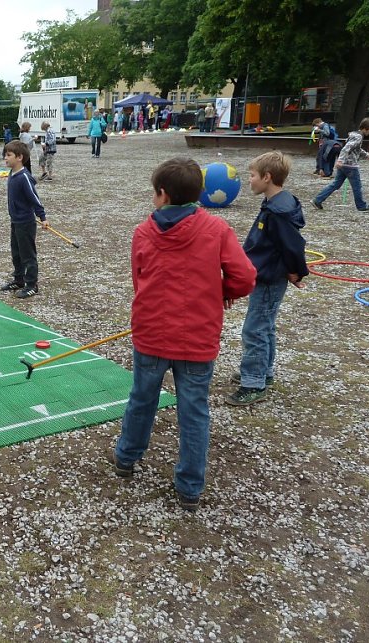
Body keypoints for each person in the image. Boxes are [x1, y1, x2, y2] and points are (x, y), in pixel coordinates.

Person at [109, 157, 256, 512]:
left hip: (158, 334)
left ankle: (129, 458)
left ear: (161, 195)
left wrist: (220, 289)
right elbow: (244, 279)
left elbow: (139, 279)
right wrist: (223, 291)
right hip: (190, 337)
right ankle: (187, 485)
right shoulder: (210, 230)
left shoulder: (161, 231)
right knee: (193, 410)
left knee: (143, 398)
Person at [226, 152, 309, 407]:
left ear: (267, 177)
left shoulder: (277, 211)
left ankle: (253, 383)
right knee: (266, 326)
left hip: (271, 277)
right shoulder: (275, 203)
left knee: (255, 329)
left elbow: (293, 246)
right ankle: (264, 372)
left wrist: (297, 271)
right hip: (265, 273)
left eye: (252, 175)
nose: (249, 180)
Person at [0, 140, 49, 299]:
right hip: (15, 221)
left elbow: (34, 198)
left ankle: (31, 284)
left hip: (26, 223)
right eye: (5, 155)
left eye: (8, 155)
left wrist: (42, 217)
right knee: (16, 252)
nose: (5, 158)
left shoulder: (24, 177)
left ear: (20, 157)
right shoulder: (11, 174)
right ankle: (19, 279)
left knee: (28, 254)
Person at [310, 118, 369, 212]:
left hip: (344, 166)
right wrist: (340, 160)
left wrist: (366, 154)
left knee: (335, 184)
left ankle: (317, 200)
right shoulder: (358, 137)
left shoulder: (354, 135)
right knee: (357, 186)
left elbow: (356, 148)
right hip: (350, 166)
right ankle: (361, 205)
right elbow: (346, 148)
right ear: (366, 128)